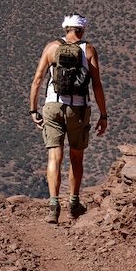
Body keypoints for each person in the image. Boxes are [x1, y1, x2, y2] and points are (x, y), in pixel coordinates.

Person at [29, 13, 108, 223]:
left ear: (66, 29)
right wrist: (103, 114)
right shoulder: (88, 50)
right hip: (78, 109)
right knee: (76, 157)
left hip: (53, 106)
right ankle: (73, 203)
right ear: (81, 30)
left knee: (54, 157)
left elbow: (37, 80)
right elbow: (97, 84)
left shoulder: (51, 48)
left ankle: (53, 206)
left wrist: (33, 110)